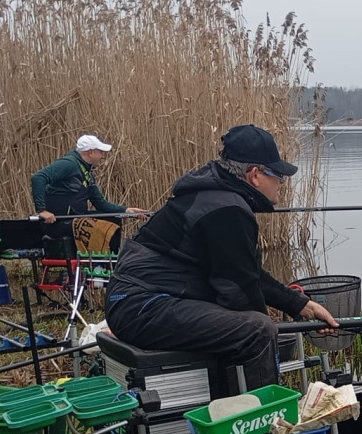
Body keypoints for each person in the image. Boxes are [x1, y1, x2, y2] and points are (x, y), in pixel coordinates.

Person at [104, 124, 339, 388]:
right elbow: (239, 292)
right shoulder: (227, 209)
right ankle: (260, 411)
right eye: (278, 176)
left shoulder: (217, 197)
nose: (281, 184)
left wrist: (301, 305)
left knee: (252, 326)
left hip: (137, 301)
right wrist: (266, 332)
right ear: (255, 175)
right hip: (143, 306)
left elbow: (246, 274)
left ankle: (232, 401)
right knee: (258, 331)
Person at [31, 134, 147, 223]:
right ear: (90, 152)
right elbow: (38, 177)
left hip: (76, 218)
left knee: (113, 220)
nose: (102, 156)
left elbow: (100, 203)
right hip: (60, 220)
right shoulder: (69, 164)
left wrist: (127, 210)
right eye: (100, 152)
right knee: (104, 226)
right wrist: (42, 211)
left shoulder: (87, 173)